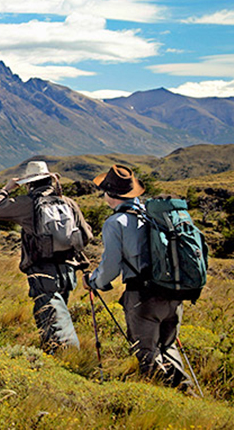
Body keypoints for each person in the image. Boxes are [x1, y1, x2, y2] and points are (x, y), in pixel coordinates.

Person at [86, 164, 190, 387]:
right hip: (174, 292)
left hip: (143, 298)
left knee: (147, 355)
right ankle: (185, 393)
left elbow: (111, 266)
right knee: (168, 347)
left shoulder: (116, 223)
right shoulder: (153, 216)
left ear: (110, 194)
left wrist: (94, 282)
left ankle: (166, 400)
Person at [0, 160, 92, 352]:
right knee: (60, 314)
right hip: (68, 270)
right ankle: (59, 354)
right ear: (48, 180)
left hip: (42, 271)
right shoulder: (68, 203)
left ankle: (66, 356)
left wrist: (7, 188)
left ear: (29, 183)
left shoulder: (28, 204)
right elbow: (86, 236)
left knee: (53, 319)